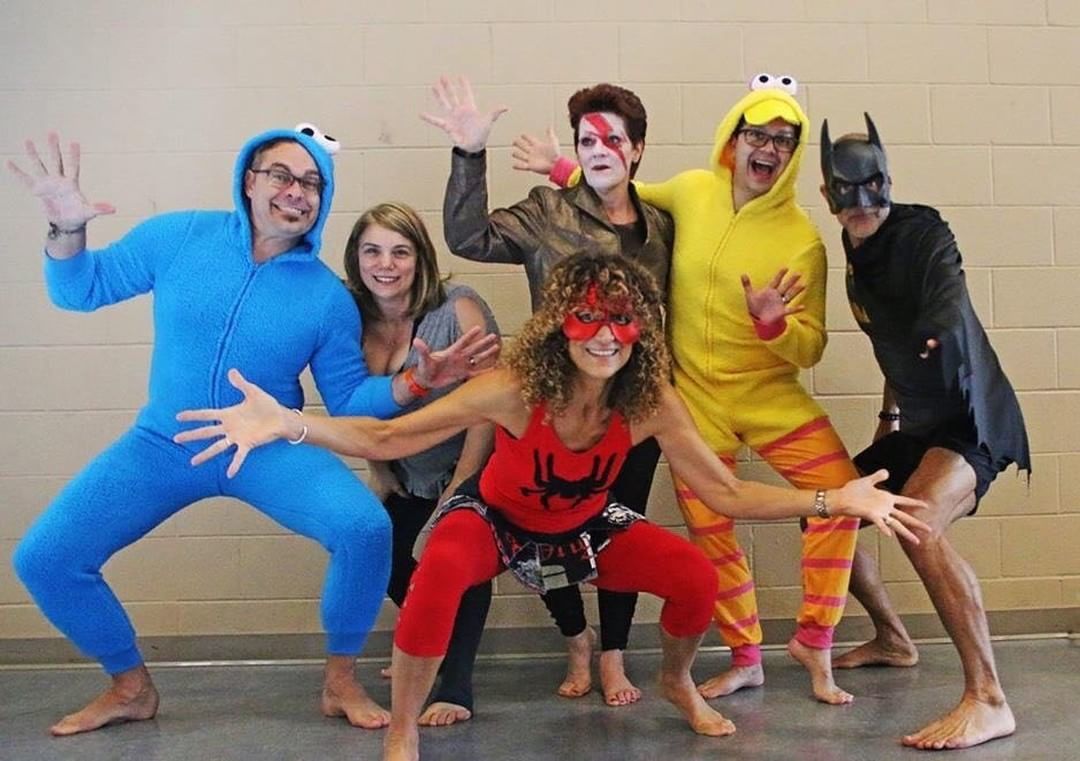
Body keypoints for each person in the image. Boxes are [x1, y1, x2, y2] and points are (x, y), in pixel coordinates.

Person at [175, 251, 929, 761]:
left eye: (621, 320)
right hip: (496, 522)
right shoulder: (515, 389)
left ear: (642, 331)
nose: (604, 336)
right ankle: (402, 729)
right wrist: (290, 422)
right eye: (588, 318)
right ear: (561, 323)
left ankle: (675, 680)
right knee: (438, 572)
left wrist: (833, 497)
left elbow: (725, 493)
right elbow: (386, 434)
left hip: (584, 527)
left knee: (694, 578)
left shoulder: (650, 401)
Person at [6, 127, 497, 736]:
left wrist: (415, 383)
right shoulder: (179, 236)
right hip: (166, 443)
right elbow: (79, 290)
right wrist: (66, 230)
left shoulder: (327, 296)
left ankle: (340, 682)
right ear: (248, 179)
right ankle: (130, 687)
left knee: (365, 528)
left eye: (312, 183)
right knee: (45, 558)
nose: (296, 192)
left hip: (268, 445)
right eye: (281, 175)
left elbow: (349, 399)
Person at [517, 74, 864, 703]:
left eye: (783, 140)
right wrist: (561, 167)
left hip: (770, 396)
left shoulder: (803, 241)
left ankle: (815, 640)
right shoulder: (692, 190)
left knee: (842, 496)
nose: (768, 148)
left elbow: (811, 346)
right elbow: (623, 192)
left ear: (794, 154)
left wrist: (773, 325)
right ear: (734, 139)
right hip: (695, 400)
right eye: (757, 134)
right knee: (711, 527)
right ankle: (745, 655)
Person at [422, 75, 675, 706]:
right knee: (549, 526)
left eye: (612, 139)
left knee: (622, 528)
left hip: (632, 406)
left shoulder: (663, 226)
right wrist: (469, 153)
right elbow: (467, 238)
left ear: (637, 149)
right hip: (554, 405)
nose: (599, 150)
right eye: (587, 140)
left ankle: (614, 654)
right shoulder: (546, 211)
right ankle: (575, 638)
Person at [818, 114, 1030, 750]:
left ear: (888, 181)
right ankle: (893, 638)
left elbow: (945, 285)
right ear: (828, 195)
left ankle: (989, 699)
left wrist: (937, 326)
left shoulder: (921, 231)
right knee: (826, 513)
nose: (862, 204)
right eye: (846, 193)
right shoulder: (856, 250)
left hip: (972, 420)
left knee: (918, 522)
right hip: (919, 427)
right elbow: (892, 344)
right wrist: (890, 419)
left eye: (872, 188)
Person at [343, 201, 500, 726]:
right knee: (378, 551)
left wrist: (461, 488)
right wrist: (381, 470)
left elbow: (489, 405)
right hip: (403, 465)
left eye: (400, 251)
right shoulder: (352, 318)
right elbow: (353, 401)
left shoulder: (457, 308)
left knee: (456, 552)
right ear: (356, 258)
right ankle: (426, 644)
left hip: (471, 460)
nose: (385, 264)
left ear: (421, 258)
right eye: (372, 251)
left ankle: (456, 683)